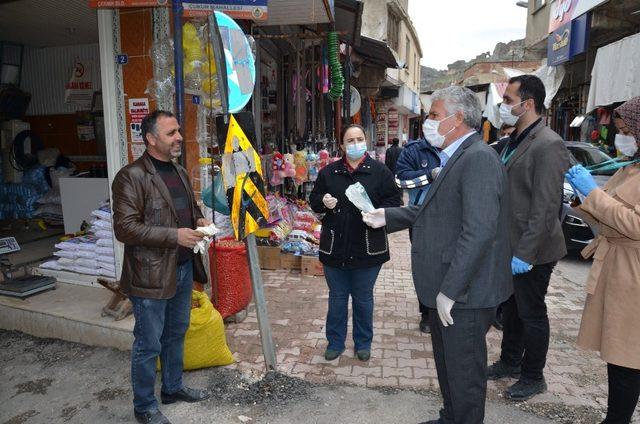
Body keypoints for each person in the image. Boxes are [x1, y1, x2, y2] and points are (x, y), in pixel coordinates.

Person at [363, 86, 512, 424]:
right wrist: (388, 217)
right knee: (448, 366)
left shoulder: (477, 159)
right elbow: (436, 210)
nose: (427, 123)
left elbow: (478, 231)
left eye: (433, 115)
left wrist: (451, 289)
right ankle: (451, 417)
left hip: (466, 292)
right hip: (452, 287)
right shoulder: (456, 156)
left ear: (456, 119)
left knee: (464, 372)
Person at [112, 110, 211, 424]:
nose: (179, 137)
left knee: (176, 333)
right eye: (171, 133)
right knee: (148, 343)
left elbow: (189, 210)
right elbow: (125, 228)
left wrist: (199, 220)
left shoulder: (179, 171)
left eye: (178, 131)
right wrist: (174, 236)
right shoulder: (132, 176)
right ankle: (144, 406)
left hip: (182, 268)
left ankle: (172, 387)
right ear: (151, 139)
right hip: (150, 275)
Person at [487, 75, 571, 401]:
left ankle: (533, 375)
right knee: (511, 309)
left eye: (508, 100)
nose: (504, 106)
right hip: (510, 244)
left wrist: (526, 252)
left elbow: (547, 206)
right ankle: (510, 361)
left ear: (528, 104)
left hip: (534, 248)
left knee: (531, 312)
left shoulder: (549, 144)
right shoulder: (515, 140)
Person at [566, 96, 640, 424]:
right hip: (617, 270)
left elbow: (635, 225)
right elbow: (606, 211)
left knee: (628, 357)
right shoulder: (630, 168)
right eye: (620, 130)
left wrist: (593, 195)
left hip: (633, 275)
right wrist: (584, 197)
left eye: (628, 131)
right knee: (618, 355)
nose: (622, 138)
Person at [309, 124, 402, 362]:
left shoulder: (380, 172)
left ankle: (363, 343)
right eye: (350, 140)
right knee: (337, 297)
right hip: (335, 246)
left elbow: (395, 201)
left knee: (363, 298)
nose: (355, 144)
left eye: (359, 139)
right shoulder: (329, 173)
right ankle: (335, 342)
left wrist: (378, 213)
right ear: (342, 145)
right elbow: (314, 199)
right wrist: (324, 201)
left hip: (368, 247)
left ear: (366, 141)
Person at [394, 129, 441, 333]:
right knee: (425, 266)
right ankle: (428, 313)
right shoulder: (414, 151)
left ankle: (446, 309)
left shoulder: (460, 148)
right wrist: (429, 176)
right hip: (421, 216)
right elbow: (401, 180)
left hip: (454, 216)